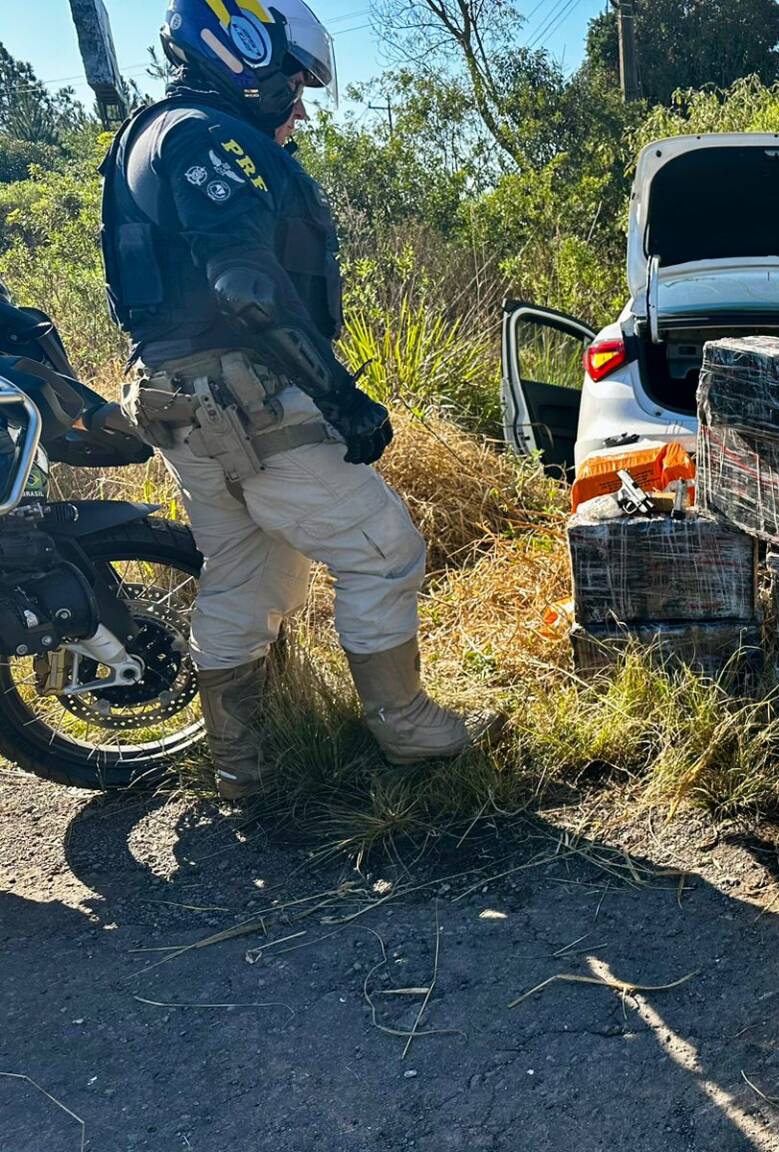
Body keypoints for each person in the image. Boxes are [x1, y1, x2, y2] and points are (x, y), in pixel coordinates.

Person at [100, 0, 491, 799]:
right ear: (242, 52)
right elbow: (247, 287)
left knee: (246, 575)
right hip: (244, 398)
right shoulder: (206, 136)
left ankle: (246, 764)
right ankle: (406, 727)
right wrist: (340, 396)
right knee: (385, 551)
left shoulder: (151, 133)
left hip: (182, 404)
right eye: (294, 83)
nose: (301, 104)